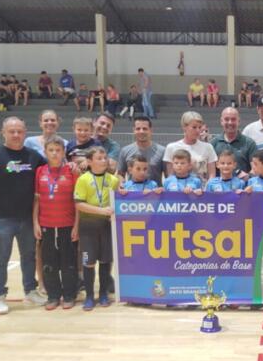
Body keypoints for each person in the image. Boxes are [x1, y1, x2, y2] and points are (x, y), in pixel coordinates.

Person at [0, 117, 46, 315]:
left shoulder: (33, 156)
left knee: (29, 256)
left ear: (25, 132)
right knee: (1, 258)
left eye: (19, 131)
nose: (16, 135)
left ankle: (30, 290)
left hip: (26, 218)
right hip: (2, 218)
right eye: (12, 131)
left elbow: (49, 170)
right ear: (3, 132)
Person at [32, 135, 79, 311]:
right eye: (51, 150)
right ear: (45, 152)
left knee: (68, 261)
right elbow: (36, 199)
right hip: (46, 224)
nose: (54, 153)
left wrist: (76, 225)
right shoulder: (40, 171)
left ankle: (69, 295)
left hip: (67, 223)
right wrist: (36, 223)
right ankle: (53, 296)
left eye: (58, 150)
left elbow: (77, 201)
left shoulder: (71, 171)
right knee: (49, 262)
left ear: (63, 152)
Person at [74, 146, 119, 310]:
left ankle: (104, 294)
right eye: (99, 158)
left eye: (105, 157)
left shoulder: (113, 180)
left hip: (107, 226)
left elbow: (120, 199)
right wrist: (101, 210)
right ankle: (90, 297)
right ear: (89, 161)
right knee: (89, 262)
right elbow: (79, 204)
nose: (103, 160)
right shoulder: (83, 179)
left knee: (106, 261)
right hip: (88, 227)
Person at [163, 111, 218, 183]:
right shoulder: (171, 148)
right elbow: (170, 176)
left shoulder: (208, 147)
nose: (198, 130)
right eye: (194, 127)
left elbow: (211, 176)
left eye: (200, 127)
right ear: (184, 127)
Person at [210, 106, 257, 180]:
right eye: (226, 119)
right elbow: (210, 171)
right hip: (219, 190)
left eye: (233, 119)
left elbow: (255, 169)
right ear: (221, 121)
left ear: (239, 121)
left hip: (243, 189)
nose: (230, 122)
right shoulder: (213, 143)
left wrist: (248, 176)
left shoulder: (249, 143)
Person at [117, 116, 166, 185]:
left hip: (155, 194)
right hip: (133, 193)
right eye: (138, 129)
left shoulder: (162, 151)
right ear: (134, 130)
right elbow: (120, 174)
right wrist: (122, 184)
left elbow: (168, 176)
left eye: (145, 129)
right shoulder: (125, 151)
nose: (141, 131)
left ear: (151, 130)